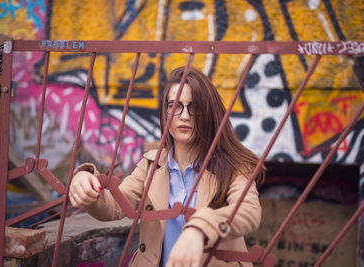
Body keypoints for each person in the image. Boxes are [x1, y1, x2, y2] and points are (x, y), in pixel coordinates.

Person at [69, 66, 265, 267]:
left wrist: (200, 228)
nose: (185, 115)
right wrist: (85, 181)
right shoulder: (151, 165)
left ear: (208, 112)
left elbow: (247, 212)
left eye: (194, 107)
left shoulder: (233, 166)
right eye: (175, 106)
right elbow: (115, 206)